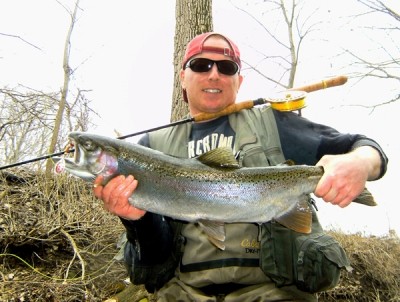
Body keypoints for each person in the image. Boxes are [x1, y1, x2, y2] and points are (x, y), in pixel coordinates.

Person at [93, 32, 388, 301]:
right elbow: (155, 253)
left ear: (239, 81)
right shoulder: (149, 149)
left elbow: (365, 146)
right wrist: (138, 220)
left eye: (227, 68)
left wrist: (359, 162)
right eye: (201, 65)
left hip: (275, 294)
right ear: (182, 77)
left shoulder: (273, 125)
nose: (214, 74)